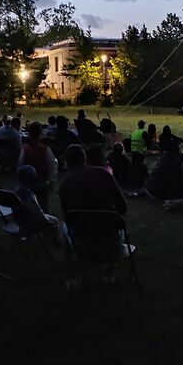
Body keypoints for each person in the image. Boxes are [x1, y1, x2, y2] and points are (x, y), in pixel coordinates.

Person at [59, 144, 128, 287]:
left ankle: (70, 278)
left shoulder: (65, 185)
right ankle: (109, 272)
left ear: (66, 162)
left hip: (82, 244)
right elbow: (123, 207)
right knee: (119, 224)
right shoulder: (104, 174)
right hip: (112, 241)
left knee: (63, 228)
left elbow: (69, 219)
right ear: (84, 158)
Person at [18, 122, 57, 212]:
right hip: (42, 184)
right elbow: (52, 166)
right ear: (40, 134)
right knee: (43, 208)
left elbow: (20, 167)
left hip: (28, 185)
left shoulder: (24, 149)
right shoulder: (45, 149)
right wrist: (51, 181)